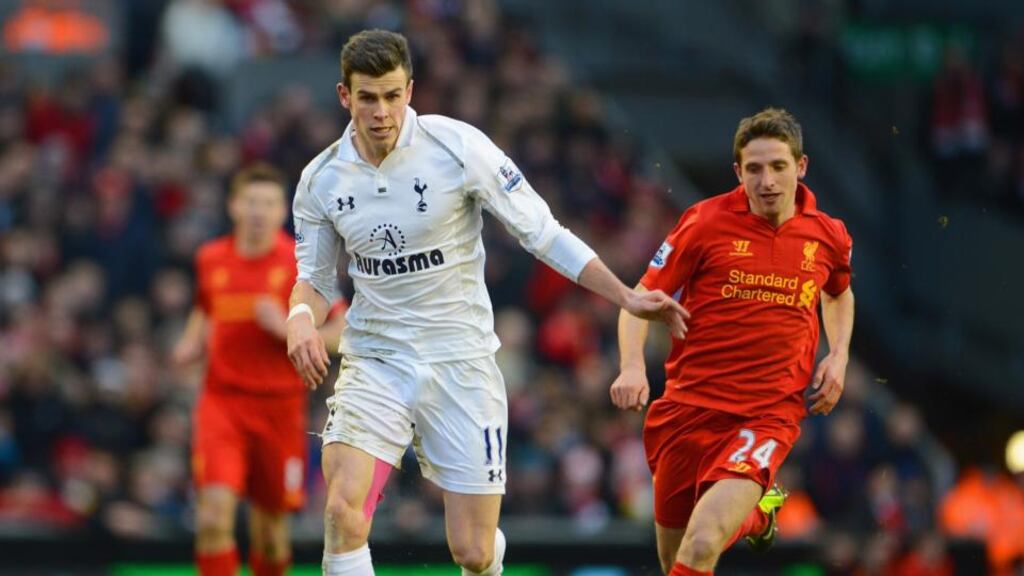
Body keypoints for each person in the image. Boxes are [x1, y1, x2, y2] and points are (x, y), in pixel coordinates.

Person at [284, 29, 689, 576]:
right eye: (367, 97)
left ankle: (488, 553)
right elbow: (313, 277)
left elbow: (542, 233)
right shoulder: (321, 179)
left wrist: (625, 294)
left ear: (410, 91)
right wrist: (302, 319)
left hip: (461, 360)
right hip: (377, 359)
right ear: (343, 96)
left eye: (392, 95)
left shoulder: (458, 147)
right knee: (341, 511)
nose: (381, 111)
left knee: (472, 554)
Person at [610, 108, 855, 575]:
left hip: (767, 415)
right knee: (675, 558)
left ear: (800, 168)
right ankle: (760, 514)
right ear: (738, 172)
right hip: (687, 410)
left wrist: (839, 356)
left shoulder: (828, 236)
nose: (767, 181)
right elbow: (639, 298)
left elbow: (839, 293)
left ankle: (752, 504)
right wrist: (632, 366)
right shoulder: (704, 223)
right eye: (755, 169)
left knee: (703, 543)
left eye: (779, 166)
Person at [172, 163, 346, 576]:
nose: (258, 211)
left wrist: (290, 327)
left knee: (269, 535)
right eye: (250, 202)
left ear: (281, 209)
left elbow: (342, 332)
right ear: (234, 206)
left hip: (280, 410)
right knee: (213, 519)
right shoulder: (210, 258)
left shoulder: (302, 266)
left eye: (268, 203)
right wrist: (189, 343)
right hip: (222, 405)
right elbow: (205, 308)